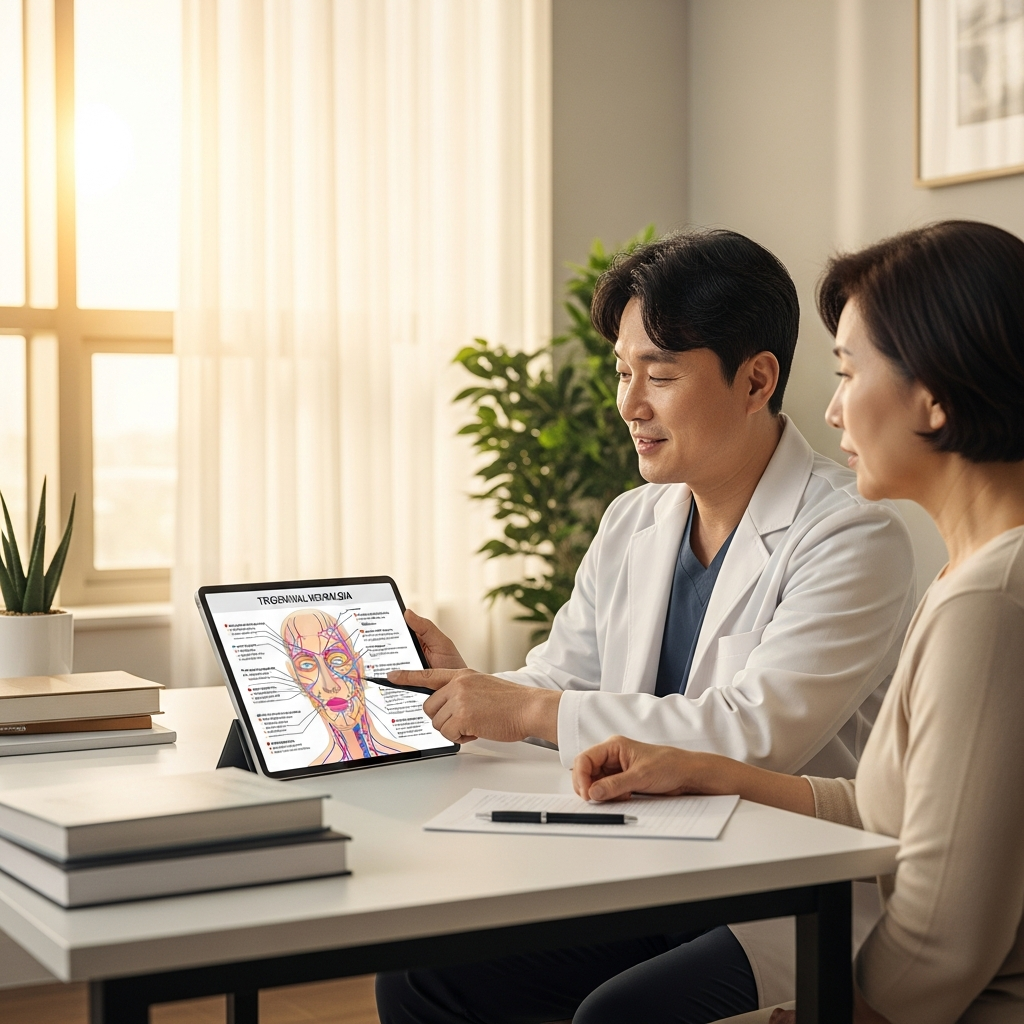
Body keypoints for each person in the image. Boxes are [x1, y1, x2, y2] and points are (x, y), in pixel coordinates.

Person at [376, 230, 916, 1023]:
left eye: (659, 376)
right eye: (623, 372)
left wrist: (526, 707)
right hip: (636, 862)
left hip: (768, 888)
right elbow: (562, 682)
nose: (629, 404)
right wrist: (474, 688)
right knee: (423, 977)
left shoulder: (852, 535)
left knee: (621, 1014)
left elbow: (755, 733)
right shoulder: (636, 519)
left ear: (757, 379)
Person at [572, 220, 1024, 1024]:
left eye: (850, 372)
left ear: (936, 394)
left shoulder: (988, 601)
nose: (833, 408)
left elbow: (941, 945)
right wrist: (707, 770)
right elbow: (887, 812)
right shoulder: (976, 577)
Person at [281, 609, 414, 762]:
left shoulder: (412, 758)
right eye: (306, 665)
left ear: (359, 666)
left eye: (337, 660)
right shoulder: (308, 777)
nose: (329, 686)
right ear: (295, 677)